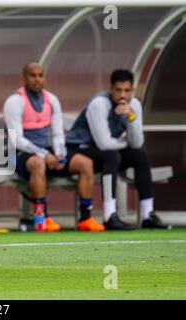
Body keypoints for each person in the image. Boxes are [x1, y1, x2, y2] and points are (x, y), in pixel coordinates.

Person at [3, 63, 105, 232]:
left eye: (40, 75)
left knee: (85, 163)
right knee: (38, 164)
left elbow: (58, 134)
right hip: (17, 155)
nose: (37, 79)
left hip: (46, 152)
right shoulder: (15, 101)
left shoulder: (52, 99)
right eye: (32, 75)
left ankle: (85, 219)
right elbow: (16, 140)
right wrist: (44, 154)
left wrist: (60, 154)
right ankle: (41, 219)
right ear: (24, 79)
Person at [66, 69, 169, 230]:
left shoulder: (134, 105)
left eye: (127, 91)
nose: (123, 95)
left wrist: (132, 118)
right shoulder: (99, 104)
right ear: (111, 89)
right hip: (79, 149)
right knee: (112, 156)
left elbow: (137, 143)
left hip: (107, 151)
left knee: (140, 156)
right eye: (118, 90)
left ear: (132, 91)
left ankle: (148, 215)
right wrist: (125, 142)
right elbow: (104, 144)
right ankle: (110, 215)